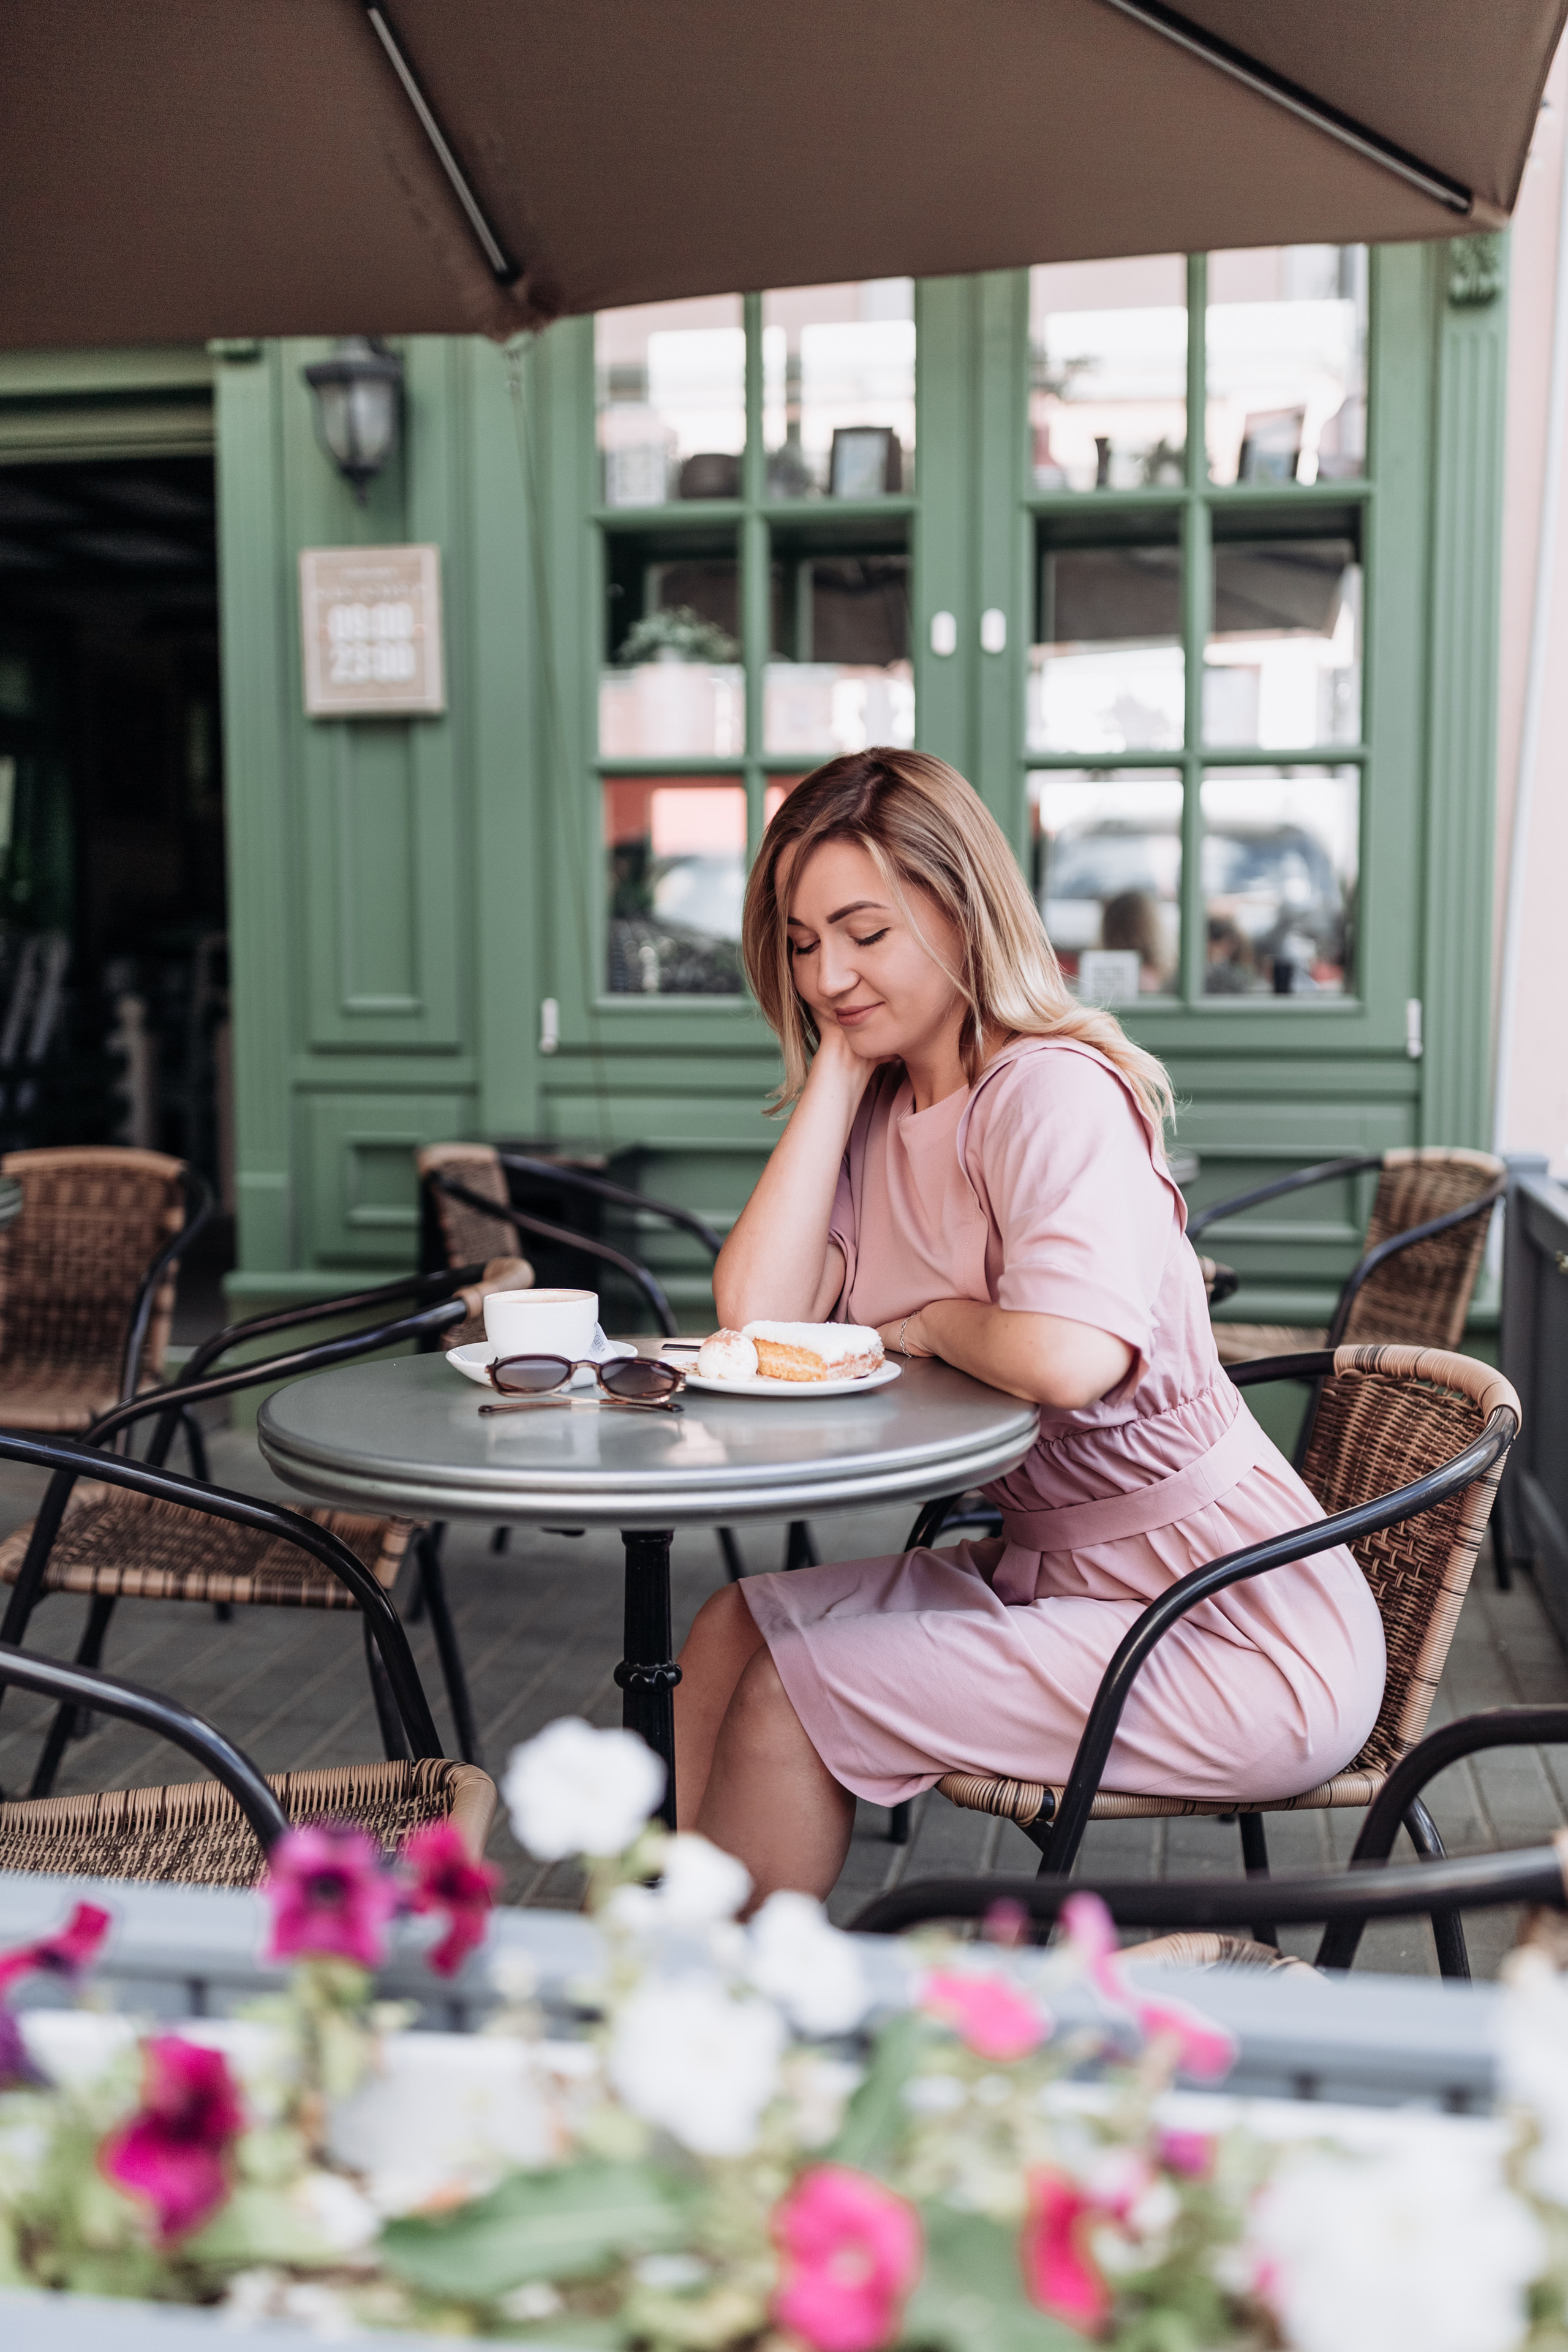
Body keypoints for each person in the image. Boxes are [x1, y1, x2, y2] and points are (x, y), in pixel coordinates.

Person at [674, 749, 1384, 1904]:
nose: (829, 975)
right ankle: (677, 1971)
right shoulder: (888, 1104)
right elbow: (758, 1319)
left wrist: (935, 1322)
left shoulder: (1051, 1092)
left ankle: (735, 2032)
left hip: (1226, 1628)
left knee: (793, 1686)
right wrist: (837, 1081)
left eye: (865, 932)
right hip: (1060, 1580)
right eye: (803, 945)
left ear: (962, 911)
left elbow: (1066, 1356)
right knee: (727, 1631)